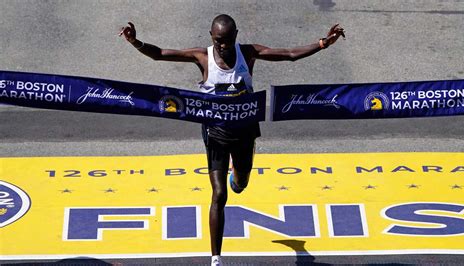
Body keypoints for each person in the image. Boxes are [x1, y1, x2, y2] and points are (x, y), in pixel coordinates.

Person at [120, 14, 344, 266]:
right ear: (211, 37)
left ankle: (237, 178)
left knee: (241, 181)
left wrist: (324, 43)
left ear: (236, 36)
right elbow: (160, 53)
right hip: (215, 133)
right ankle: (216, 258)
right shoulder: (202, 57)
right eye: (218, 41)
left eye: (227, 41)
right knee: (218, 194)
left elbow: (289, 54)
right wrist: (135, 42)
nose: (222, 46)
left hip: (245, 130)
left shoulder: (248, 54)